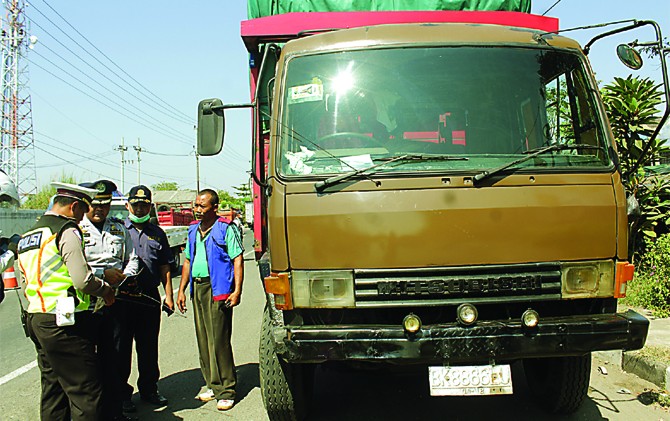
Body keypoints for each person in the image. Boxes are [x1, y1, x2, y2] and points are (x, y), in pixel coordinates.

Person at [17, 182, 116, 421]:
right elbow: (82, 280)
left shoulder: (30, 234)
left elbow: (24, 280)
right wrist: (105, 290)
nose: (83, 218)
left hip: (37, 318)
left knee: (53, 389)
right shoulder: (66, 230)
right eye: (83, 211)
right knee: (86, 392)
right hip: (64, 322)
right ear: (73, 207)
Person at [176, 189, 244, 411]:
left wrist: (237, 291)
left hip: (219, 290)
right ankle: (212, 384)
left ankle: (227, 389)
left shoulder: (226, 228)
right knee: (204, 339)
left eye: (202, 206)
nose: (197, 209)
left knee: (219, 341)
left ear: (214, 208)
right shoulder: (193, 229)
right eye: (196, 205)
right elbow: (188, 260)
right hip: (198, 288)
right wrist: (181, 290)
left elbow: (238, 259)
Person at [79, 179, 140, 421]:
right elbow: (74, 268)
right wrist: (104, 274)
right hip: (87, 303)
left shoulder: (118, 228)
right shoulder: (76, 230)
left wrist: (124, 277)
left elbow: (132, 258)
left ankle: (115, 411)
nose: (99, 209)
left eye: (104, 204)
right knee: (88, 361)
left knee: (115, 356)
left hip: (115, 300)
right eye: (95, 204)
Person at [120, 185, 174, 410]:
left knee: (148, 348)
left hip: (149, 298)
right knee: (121, 349)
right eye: (136, 205)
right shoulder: (118, 230)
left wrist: (168, 295)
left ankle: (149, 389)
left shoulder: (157, 233)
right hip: (123, 299)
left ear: (150, 206)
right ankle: (122, 395)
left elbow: (165, 266)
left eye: (144, 205)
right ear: (128, 206)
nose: (140, 209)